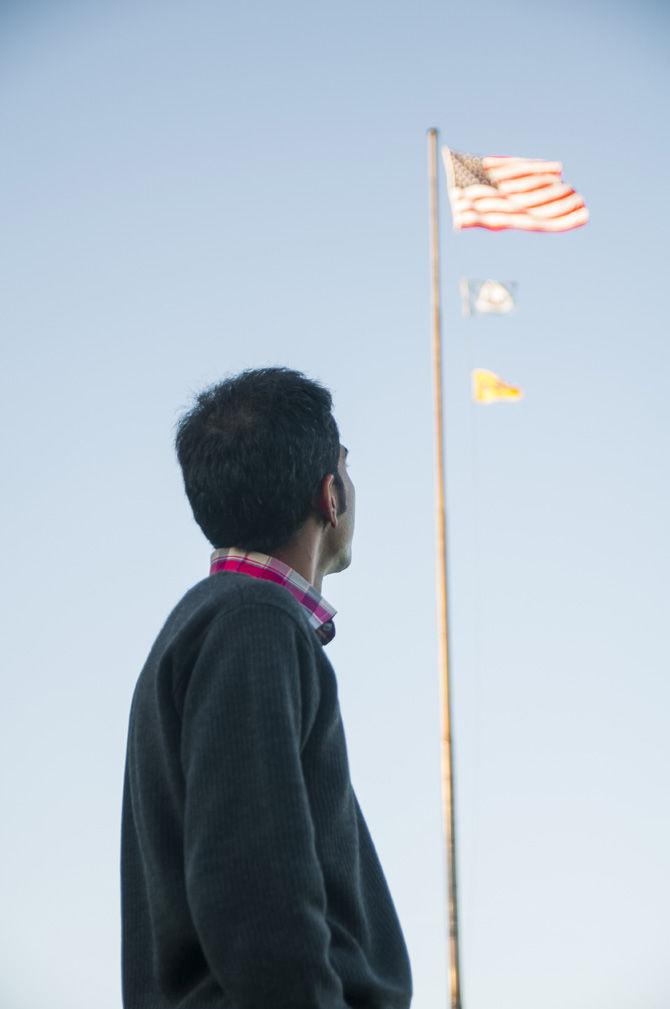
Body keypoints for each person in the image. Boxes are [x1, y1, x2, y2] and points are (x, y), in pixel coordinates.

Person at [120, 366, 413, 1009]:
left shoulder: (220, 623)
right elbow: (258, 899)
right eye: (347, 468)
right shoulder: (251, 622)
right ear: (329, 495)